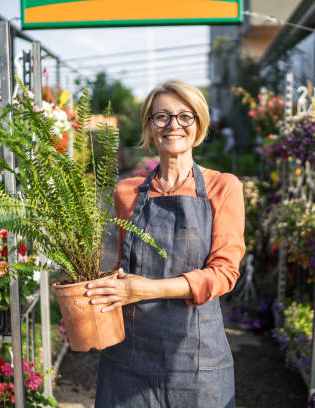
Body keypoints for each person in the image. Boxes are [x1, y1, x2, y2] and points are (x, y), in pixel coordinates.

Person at [85, 80, 245, 407]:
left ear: (198, 124)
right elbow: (123, 267)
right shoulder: (127, 192)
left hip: (197, 362)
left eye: (185, 116)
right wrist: (91, 293)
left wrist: (146, 290)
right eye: (162, 117)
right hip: (128, 358)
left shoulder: (222, 187)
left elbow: (224, 273)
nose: (174, 125)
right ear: (149, 126)